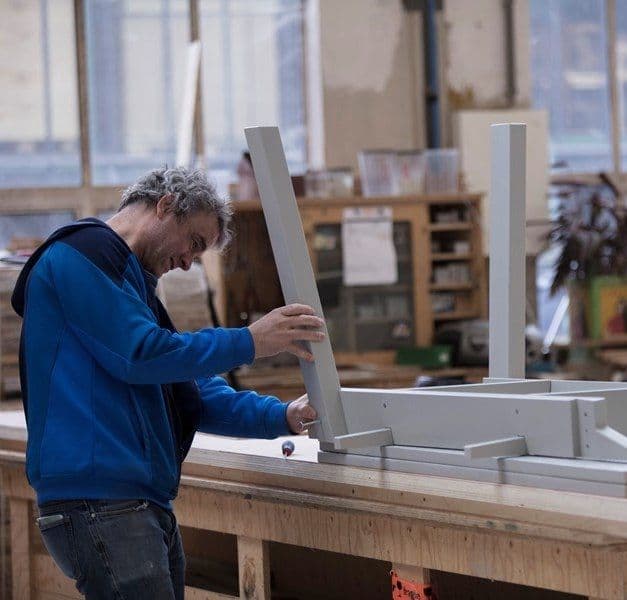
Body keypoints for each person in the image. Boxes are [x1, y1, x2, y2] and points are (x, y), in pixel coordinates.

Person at [11, 166, 323, 599]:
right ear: (166, 205)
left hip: (134, 503)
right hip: (100, 501)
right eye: (194, 243)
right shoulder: (80, 257)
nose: (187, 262)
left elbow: (189, 391)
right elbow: (142, 354)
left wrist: (284, 415)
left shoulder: (132, 289)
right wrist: (249, 341)